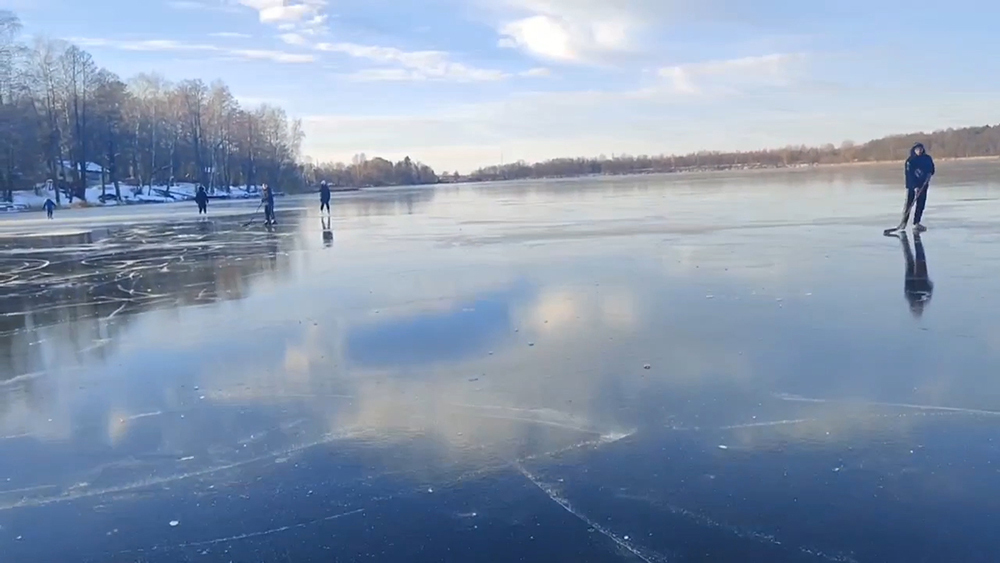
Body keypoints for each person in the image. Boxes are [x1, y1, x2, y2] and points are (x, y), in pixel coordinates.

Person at [897, 231, 933, 318]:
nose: (918, 306)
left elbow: (907, 287)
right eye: (918, 309)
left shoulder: (911, 296)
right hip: (921, 277)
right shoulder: (924, 298)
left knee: (910, 258)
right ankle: (915, 239)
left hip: (913, 277)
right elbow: (930, 287)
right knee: (919, 257)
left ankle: (906, 240)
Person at [904, 142, 935, 231]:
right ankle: (904, 222)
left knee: (920, 204)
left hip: (923, 185)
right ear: (914, 150)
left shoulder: (927, 158)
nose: (919, 151)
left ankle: (916, 222)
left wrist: (930, 173)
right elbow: (909, 175)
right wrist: (914, 187)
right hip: (912, 186)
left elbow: (931, 168)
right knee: (909, 204)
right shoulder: (910, 161)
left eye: (920, 149)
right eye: (917, 149)